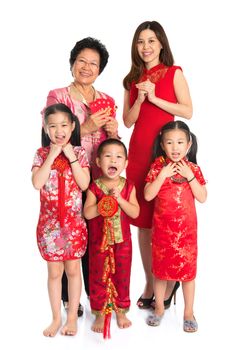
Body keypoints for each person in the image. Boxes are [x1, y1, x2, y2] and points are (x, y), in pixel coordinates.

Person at [42, 37, 119, 316]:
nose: (86, 67)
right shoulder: (58, 95)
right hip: (66, 178)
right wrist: (85, 127)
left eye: (93, 64)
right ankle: (67, 300)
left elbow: (113, 146)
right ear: (72, 63)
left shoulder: (108, 101)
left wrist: (112, 133)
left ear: (100, 69)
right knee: (64, 236)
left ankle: (95, 296)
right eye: (81, 61)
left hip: (97, 179)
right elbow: (52, 134)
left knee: (95, 238)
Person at [122, 20, 193, 309]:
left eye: (151, 40)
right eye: (140, 41)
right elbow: (127, 121)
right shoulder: (131, 80)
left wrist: (156, 97)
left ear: (161, 43)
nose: (146, 47)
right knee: (143, 223)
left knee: (168, 219)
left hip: (167, 153)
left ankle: (170, 277)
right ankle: (151, 283)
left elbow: (188, 111)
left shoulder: (174, 73)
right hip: (139, 153)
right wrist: (140, 97)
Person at [32, 103, 90, 336]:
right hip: (50, 227)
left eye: (64, 125)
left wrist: (69, 156)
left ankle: (73, 318)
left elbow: (84, 184)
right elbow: (37, 183)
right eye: (53, 126)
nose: (59, 131)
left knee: (74, 270)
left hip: (74, 225)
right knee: (54, 273)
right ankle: (56, 318)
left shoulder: (79, 153)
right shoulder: (41, 153)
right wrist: (53, 154)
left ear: (72, 126)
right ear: (46, 129)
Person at [144, 121, 207, 332]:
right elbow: (148, 195)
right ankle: (160, 307)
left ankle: (188, 312)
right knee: (161, 273)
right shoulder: (156, 168)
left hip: (187, 233)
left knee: (188, 274)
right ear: (162, 144)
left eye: (180, 142)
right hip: (163, 232)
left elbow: (203, 197)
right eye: (169, 142)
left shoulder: (194, 169)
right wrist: (162, 175)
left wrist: (190, 176)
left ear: (189, 144)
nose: (175, 147)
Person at [83, 139, 139, 336]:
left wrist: (120, 200)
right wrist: (102, 204)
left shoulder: (128, 186)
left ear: (125, 163)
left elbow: (135, 213)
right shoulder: (94, 187)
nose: (113, 160)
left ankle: (121, 311)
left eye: (118, 156)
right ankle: (99, 312)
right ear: (98, 162)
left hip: (123, 243)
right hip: (99, 243)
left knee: (122, 277)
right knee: (97, 277)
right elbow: (87, 214)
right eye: (108, 156)